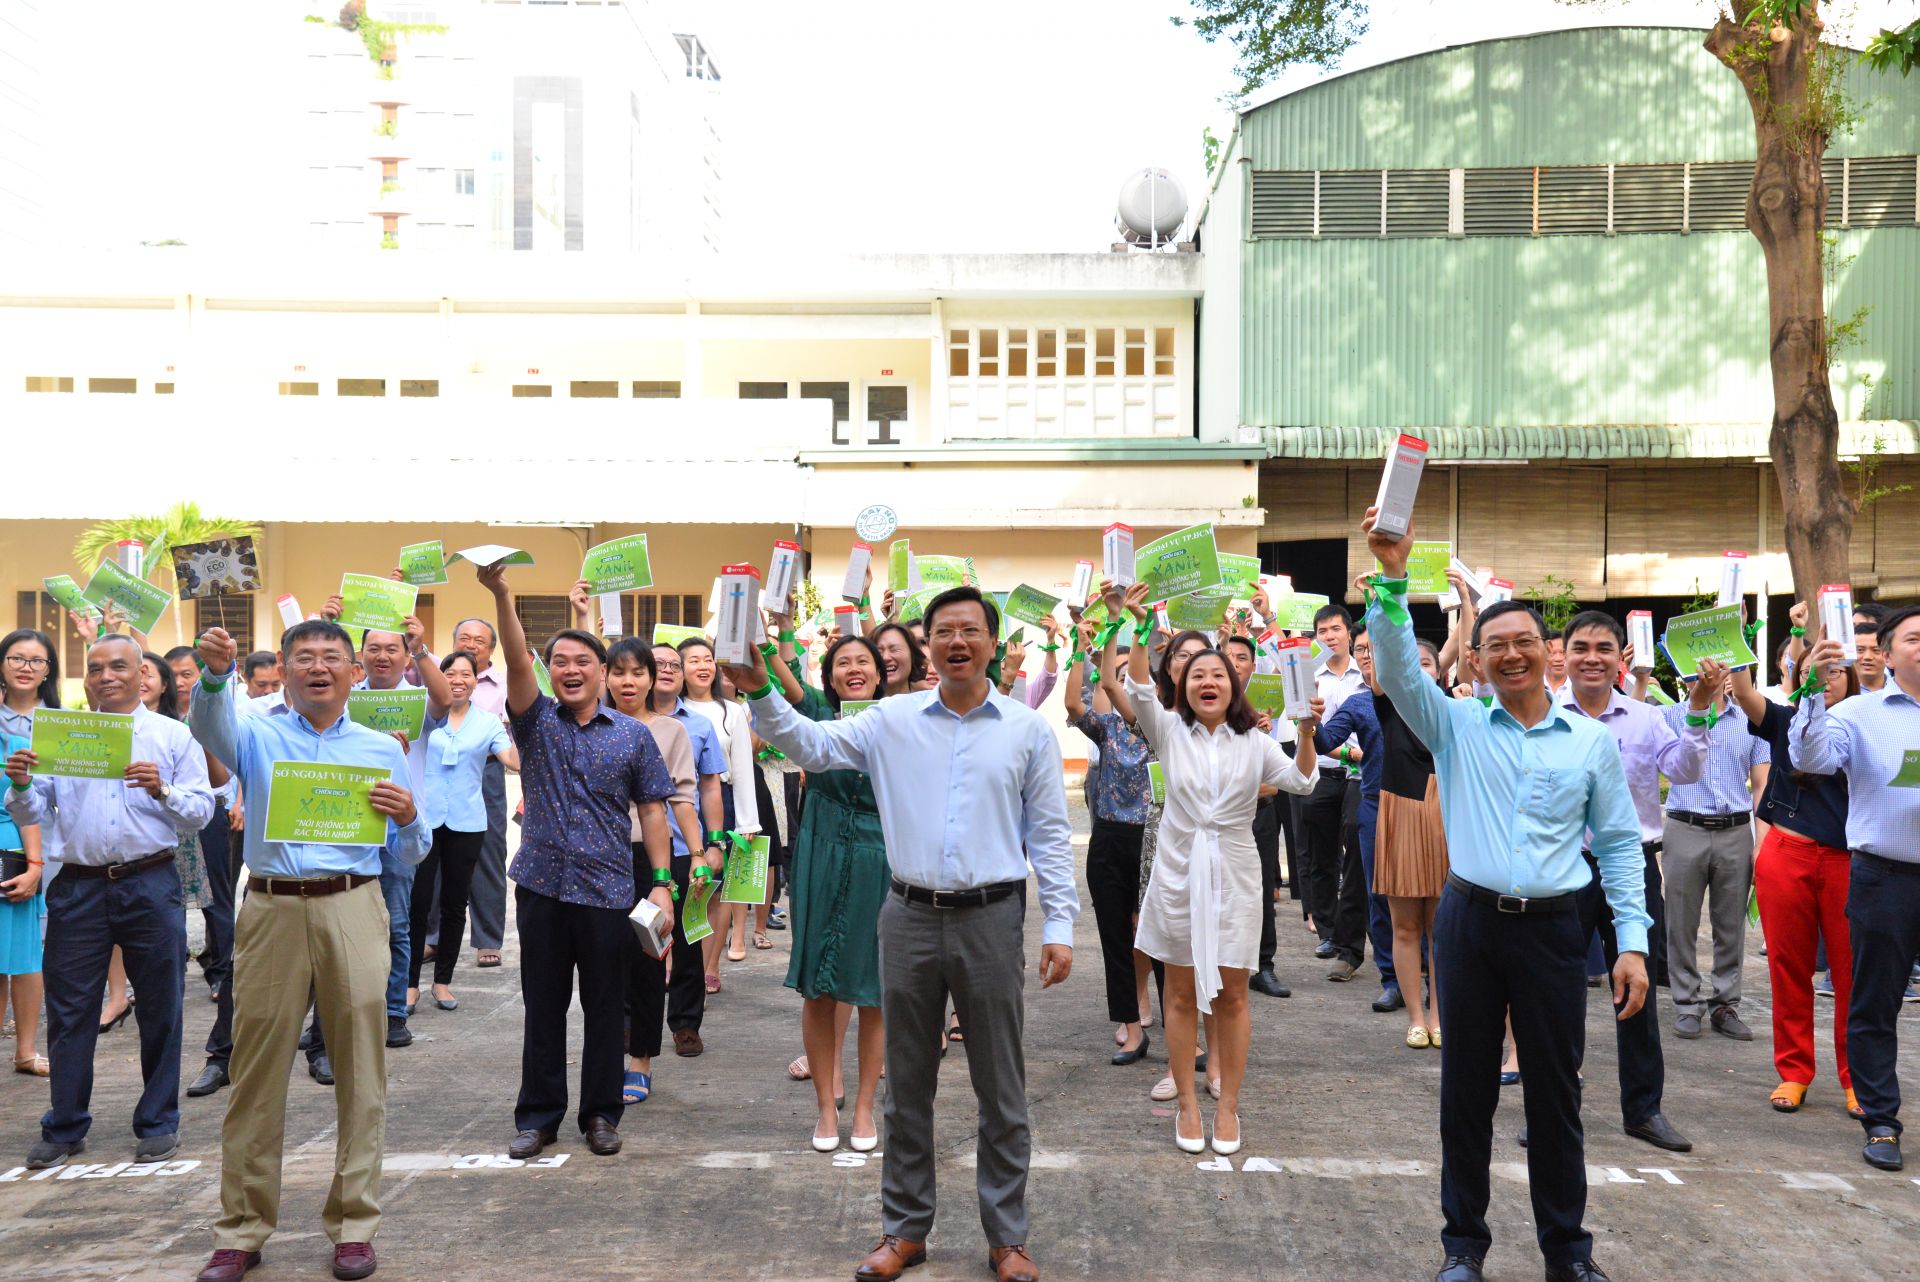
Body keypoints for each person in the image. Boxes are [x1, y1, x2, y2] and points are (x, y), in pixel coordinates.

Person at [724, 585, 1076, 1282]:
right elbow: (813, 746)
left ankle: (1007, 1238)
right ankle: (905, 1231)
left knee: (1000, 1087)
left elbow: (1051, 834)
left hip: (992, 916)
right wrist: (764, 690)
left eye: (970, 631)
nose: (956, 642)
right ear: (927, 646)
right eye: (943, 630)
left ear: (991, 642)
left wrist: (1059, 923)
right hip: (907, 915)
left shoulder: (1026, 730)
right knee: (905, 1085)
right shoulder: (890, 718)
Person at [1364, 509, 1647, 1282]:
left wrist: (1632, 944)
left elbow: (1619, 847)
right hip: (1470, 925)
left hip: (1557, 930)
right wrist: (1391, 577)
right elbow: (1394, 669)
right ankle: (1463, 1249)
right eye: (1497, 646)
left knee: (1555, 1099)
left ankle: (1568, 1253)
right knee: (1467, 1096)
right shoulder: (1454, 724)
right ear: (1479, 659)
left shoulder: (1589, 742)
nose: (1512, 655)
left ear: (1546, 655)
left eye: (1525, 642)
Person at [187, 619, 425, 1282]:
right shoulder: (257, 733)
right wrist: (212, 676)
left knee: (360, 1069)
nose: (317, 667)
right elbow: (209, 728)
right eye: (304, 657)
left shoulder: (381, 748)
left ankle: (354, 1226)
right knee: (256, 1071)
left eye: (331, 658)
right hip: (271, 907)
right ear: (285, 671)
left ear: (355, 674)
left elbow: (406, 854)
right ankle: (240, 1230)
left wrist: (407, 819)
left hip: (354, 902)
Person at [476, 562, 676, 1164]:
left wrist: (663, 885)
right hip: (540, 887)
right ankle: (538, 1118)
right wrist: (502, 593)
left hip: (609, 890)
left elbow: (653, 812)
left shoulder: (632, 736)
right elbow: (514, 661)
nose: (570, 670)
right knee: (543, 1004)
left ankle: (601, 1115)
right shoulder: (535, 723)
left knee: (603, 1004)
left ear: (604, 673)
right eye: (559, 661)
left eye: (582, 662)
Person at [1120, 581, 1319, 1156]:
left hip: (1233, 871)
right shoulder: (1167, 729)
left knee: (1233, 994)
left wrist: (1304, 730)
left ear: (1235, 687)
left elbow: (1303, 780)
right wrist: (1137, 627)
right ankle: (1185, 1102)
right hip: (1180, 868)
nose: (1209, 680)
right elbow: (1135, 683)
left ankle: (1227, 1105)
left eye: (1220, 675)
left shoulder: (1254, 741)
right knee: (1180, 995)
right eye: (1197, 674)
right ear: (1181, 685)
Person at [5, 631, 214, 1175]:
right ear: (85, 678)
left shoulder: (170, 736)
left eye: (118, 666)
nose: (106, 677)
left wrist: (162, 790)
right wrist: (23, 783)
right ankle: (65, 1125)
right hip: (78, 885)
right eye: (95, 669)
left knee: (161, 1005)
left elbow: (201, 812)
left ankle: (157, 1122)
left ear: (142, 673)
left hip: (150, 881)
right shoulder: (64, 734)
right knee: (71, 1010)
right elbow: (31, 812)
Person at [1555, 608, 1720, 1155]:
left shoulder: (1647, 718)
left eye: (1604, 648)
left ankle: (1643, 1110)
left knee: (1638, 988)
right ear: (1565, 653)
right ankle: (1553, 1109)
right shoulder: (1548, 713)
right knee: (1555, 993)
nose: (1592, 658)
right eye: (1581, 647)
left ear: (1621, 657)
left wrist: (1697, 711)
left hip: (1632, 867)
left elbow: (1688, 771)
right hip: (1562, 869)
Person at [1789, 605, 1920, 1173]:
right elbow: (1810, 758)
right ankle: (1882, 1121)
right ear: (1886, 655)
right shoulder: (1861, 714)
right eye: (1915, 639)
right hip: (1885, 878)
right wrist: (1812, 691)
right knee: (1875, 1002)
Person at [763, 627, 890, 1153]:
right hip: (821, 850)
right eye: (843, 662)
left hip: (882, 854)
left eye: (864, 661)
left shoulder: (901, 719)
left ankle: (864, 1109)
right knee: (819, 983)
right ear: (830, 675)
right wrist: (773, 638)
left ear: (881, 673)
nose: (853, 669)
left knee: (875, 988)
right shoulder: (816, 710)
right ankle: (825, 1110)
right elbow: (778, 688)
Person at [1729, 639, 1859, 1115]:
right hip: (1786, 854)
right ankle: (1794, 1070)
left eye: (1835, 672)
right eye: (1815, 671)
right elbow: (1742, 691)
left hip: (1849, 862)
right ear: (1798, 675)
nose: (1826, 680)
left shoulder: (1864, 725)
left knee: (1851, 973)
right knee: (1789, 968)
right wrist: (1737, 633)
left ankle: (1857, 1077)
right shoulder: (1785, 719)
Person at [1357, 623, 1452, 1048]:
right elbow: (1383, 667)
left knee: (1442, 927)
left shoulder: (1454, 709)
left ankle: (1440, 1015)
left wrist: (1466, 604)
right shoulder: (1388, 704)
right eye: (1411, 662)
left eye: (1426, 663)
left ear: (1440, 673)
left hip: (1445, 816)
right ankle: (1416, 1017)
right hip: (1398, 812)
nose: (1418, 669)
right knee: (1407, 926)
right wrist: (1381, 604)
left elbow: (1459, 647)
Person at [407, 650, 518, 1014]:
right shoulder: (422, 715)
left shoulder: (488, 722)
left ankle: (442, 982)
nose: (458, 679)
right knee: (418, 903)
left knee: (456, 904)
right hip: (423, 821)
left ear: (476, 680)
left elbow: (512, 761)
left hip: (468, 823)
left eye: (466, 674)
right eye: (450, 673)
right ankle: (409, 985)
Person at [1661, 671, 1769, 1042]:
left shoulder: (1750, 721)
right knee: (1680, 920)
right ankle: (1686, 1003)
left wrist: (1760, 840)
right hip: (1684, 826)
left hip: (1736, 830)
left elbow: (1761, 784)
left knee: (1730, 924)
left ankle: (1725, 1004)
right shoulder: (1670, 717)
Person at [1066, 617, 1155, 1063]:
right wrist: (1099, 640)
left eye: (1132, 679)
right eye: (1118, 679)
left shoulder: (1162, 730)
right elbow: (1076, 700)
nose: (1123, 685)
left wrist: (1136, 630)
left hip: (1153, 841)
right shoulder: (1107, 729)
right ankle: (1132, 1026)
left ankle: (1184, 1030)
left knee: (1159, 937)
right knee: (1115, 936)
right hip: (1108, 840)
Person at [648, 640, 730, 1038]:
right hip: (631, 848)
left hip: (685, 848)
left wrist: (714, 845)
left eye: (673, 665)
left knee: (687, 939)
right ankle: (634, 1023)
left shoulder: (699, 725)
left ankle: (685, 1024)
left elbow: (710, 788)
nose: (666, 670)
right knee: (637, 939)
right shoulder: (620, 718)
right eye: (657, 663)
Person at [1313, 628, 1396, 1002]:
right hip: (1374, 804)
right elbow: (1325, 741)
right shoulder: (1357, 703)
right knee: (1376, 892)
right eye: (1361, 649)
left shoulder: (1418, 699)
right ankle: (1392, 979)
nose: (1366, 655)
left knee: (1425, 896)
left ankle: (1428, 975)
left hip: (1423, 806)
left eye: (1373, 649)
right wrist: (1308, 720)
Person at [1218, 633, 1292, 1001]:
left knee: (1260, 889)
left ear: (1252, 666)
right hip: (1214, 819)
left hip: (1257, 811)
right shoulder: (1206, 704)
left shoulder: (1266, 707)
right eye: (1226, 655)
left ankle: (1263, 965)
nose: (1233, 662)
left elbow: (1278, 780)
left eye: (1242, 657)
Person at [0, 630, 54, 1078]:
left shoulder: (60, 725)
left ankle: (26, 1050)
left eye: (36, 661)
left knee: (28, 953)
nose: (25, 667)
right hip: (18, 844)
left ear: (48, 671)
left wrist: (35, 862)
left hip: (32, 847)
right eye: (16, 658)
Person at [1302, 604, 1364, 962]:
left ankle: (1350, 932)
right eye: (1322, 631)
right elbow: (1303, 727)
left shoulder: (1366, 674)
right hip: (1321, 774)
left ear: (1349, 633)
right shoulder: (1312, 676)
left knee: (1355, 856)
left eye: (1336, 629)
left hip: (1359, 777)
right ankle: (1327, 932)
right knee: (1322, 858)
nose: (1330, 637)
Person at [449, 616, 509, 971]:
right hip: (440, 769)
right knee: (436, 850)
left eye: (480, 641)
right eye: (464, 638)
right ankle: (433, 938)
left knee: (488, 850)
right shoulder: (438, 680)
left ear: (490, 650)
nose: (471, 645)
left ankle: (488, 939)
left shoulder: (503, 685)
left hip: (486, 770)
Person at [1853, 620, 1887, 693]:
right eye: (1860, 650)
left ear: (1888, 654)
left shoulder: (1902, 688)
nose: (1867, 657)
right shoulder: (1839, 692)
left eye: (1876, 650)